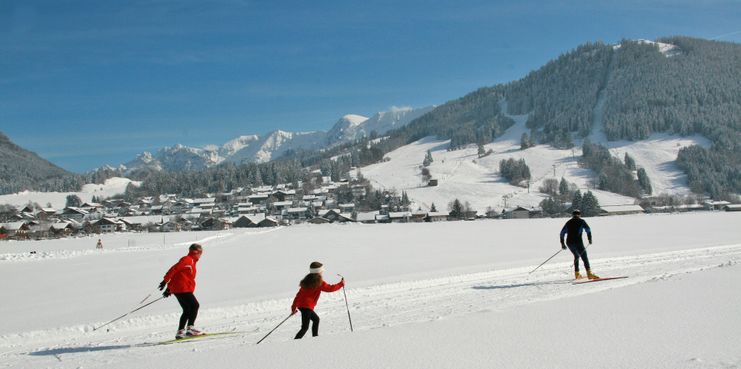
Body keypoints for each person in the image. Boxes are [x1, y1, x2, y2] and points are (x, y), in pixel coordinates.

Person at [159, 243, 205, 339]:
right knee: (195, 305)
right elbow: (174, 269)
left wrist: (169, 289)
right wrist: (165, 281)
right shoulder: (187, 260)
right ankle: (190, 329)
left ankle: (180, 332)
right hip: (183, 289)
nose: (201, 255)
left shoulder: (191, 261)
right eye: (200, 252)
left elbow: (177, 275)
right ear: (197, 252)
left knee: (187, 309)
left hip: (179, 288)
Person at [290, 261, 344, 339]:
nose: (322, 272)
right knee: (305, 327)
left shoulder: (306, 281)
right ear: (318, 271)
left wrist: (293, 307)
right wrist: (341, 284)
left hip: (302, 306)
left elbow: (298, 296)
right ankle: (295, 342)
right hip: (307, 307)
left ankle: (315, 338)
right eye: (321, 271)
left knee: (316, 319)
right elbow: (330, 288)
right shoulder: (318, 282)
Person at [560, 209, 599, 280]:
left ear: (572, 215)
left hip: (569, 242)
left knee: (576, 255)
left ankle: (577, 273)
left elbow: (562, 233)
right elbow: (588, 230)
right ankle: (589, 273)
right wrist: (589, 239)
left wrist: (562, 244)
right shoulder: (582, 221)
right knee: (584, 257)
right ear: (579, 215)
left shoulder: (568, 222)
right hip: (578, 242)